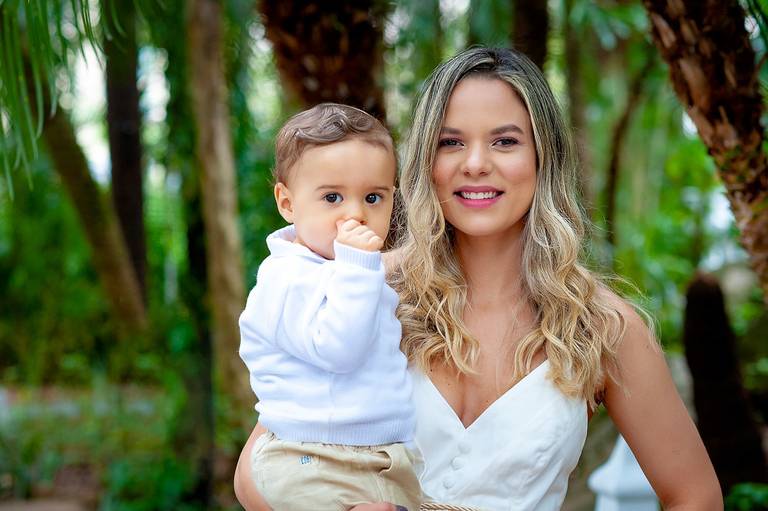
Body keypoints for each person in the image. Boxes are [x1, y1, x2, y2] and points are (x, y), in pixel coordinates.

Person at [235, 47, 722, 510]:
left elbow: (695, 497)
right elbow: (254, 470)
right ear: (427, 160)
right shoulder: (360, 285)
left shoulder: (603, 325)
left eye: (505, 141)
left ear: (542, 157)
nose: (474, 163)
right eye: (451, 142)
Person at [237, 103, 422, 511]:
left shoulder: (355, 272)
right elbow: (340, 350)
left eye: (374, 197)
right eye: (332, 197)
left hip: (375, 455)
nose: (355, 213)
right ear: (287, 203)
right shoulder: (287, 277)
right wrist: (357, 268)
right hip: (309, 458)